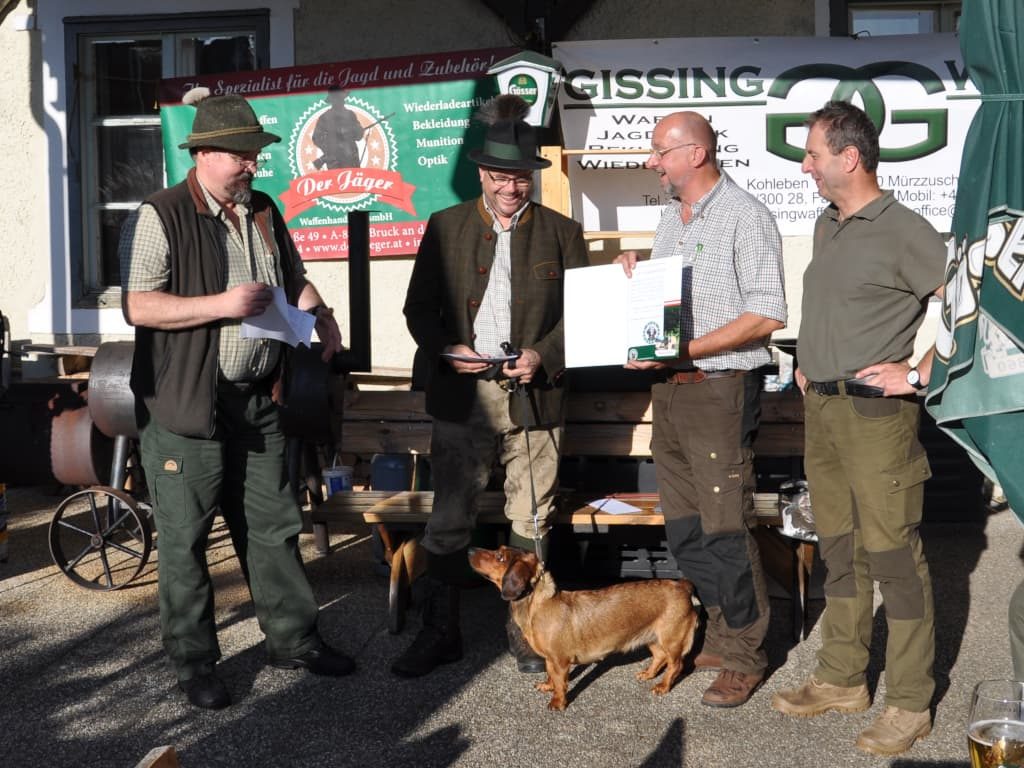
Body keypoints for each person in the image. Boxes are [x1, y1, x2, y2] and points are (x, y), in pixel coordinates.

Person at [119, 87, 353, 710]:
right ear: (206, 154)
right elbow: (139, 305)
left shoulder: (263, 210)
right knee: (185, 538)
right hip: (186, 403)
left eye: (255, 155)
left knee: (274, 527)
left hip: (258, 399)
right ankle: (195, 664)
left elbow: (292, 281)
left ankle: (294, 640)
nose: (254, 165)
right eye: (243, 155)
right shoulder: (160, 213)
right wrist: (222, 305)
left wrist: (320, 314)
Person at [770, 101, 946, 757]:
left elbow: (974, 302)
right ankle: (844, 678)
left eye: (813, 154)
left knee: (896, 560)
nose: (805, 164)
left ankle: (909, 701)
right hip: (824, 414)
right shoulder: (827, 224)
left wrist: (921, 372)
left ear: (848, 157)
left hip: (878, 419)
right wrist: (811, 366)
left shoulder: (905, 229)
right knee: (840, 550)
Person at [395, 95, 589, 678]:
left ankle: (528, 635)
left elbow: (582, 314)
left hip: (537, 396)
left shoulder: (563, 233)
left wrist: (544, 355)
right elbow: (418, 310)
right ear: (483, 173)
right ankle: (442, 631)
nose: (511, 187)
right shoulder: (445, 226)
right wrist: (445, 349)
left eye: (522, 177)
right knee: (450, 517)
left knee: (531, 518)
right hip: (464, 398)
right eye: (501, 176)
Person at [613, 111, 787, 708]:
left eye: (659, 152)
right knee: (685, 530)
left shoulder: (747, 215)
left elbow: (767, 314)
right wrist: (633, 272)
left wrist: (687, 349)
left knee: (724, 529)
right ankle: (719, 630)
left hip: (719, 389)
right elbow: (665, 304)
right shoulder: (670, 219)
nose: (652, 162)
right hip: (671, 389)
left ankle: (745, 655)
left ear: (695, 153)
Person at [312, 87, 364, 170]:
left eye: (341, 98)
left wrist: (358, 130)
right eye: (337, 98)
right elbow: (316, 138)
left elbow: (359, 136)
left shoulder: (350, 115)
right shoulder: (325, 117)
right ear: (332, 100)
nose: (341, 101)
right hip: (334, 161)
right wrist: (329, 150)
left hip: (351, 159)